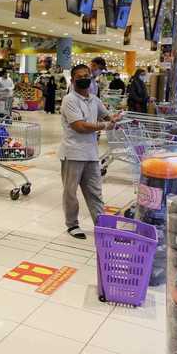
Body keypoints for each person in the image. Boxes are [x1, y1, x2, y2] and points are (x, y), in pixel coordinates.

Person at [59, 64, 121, 240]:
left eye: (87, 75)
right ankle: (72, 224)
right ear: (72, 80)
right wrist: (104, 125)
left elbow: (107, 116)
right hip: (73, 153)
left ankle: (101, 225)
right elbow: (79, 126)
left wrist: (115, 119)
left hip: (91, 154)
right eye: (79, 76)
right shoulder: (69, 100)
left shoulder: (94, 99)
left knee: (95, 191)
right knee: (71, 192)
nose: (84, 78)